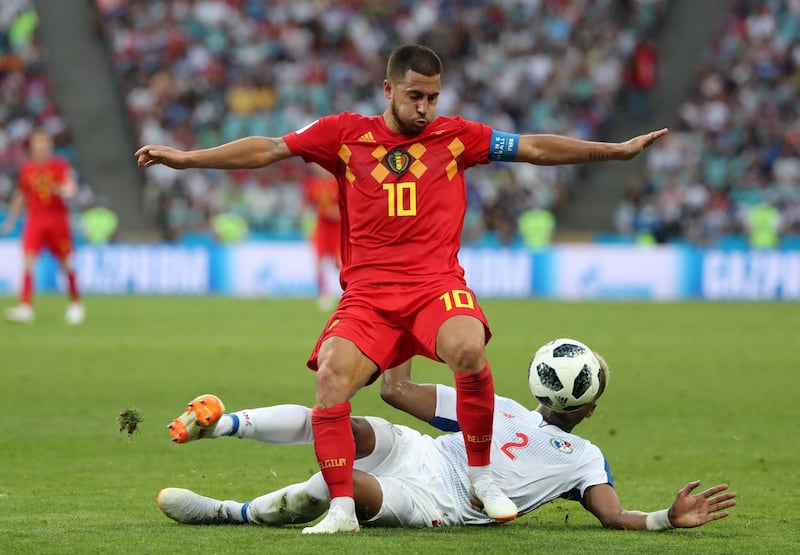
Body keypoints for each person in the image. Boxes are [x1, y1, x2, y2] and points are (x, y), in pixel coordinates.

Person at [136, 44, 669, 534]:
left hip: (434, 283)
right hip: (368, 292)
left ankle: (482, 476)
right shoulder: (343, 133)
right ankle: (341, 509)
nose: (425, 108)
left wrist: (613, 152)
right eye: (415, 95)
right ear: (387, 89)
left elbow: (533, 147)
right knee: (331, 381)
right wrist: (187, 159)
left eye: (433, 97)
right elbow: (270, 148)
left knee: (467, 347)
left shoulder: (457, 136)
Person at [157, 344, 736, 531]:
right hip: (422, 452)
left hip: (443, 503)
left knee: (339, 485)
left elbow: (612, 516)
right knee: (342, 423)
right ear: (588, 404)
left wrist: (663, 518)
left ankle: (228, 513)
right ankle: (224, 423)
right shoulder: (495, 405)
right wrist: (406, 325)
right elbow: (395, 392)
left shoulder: (586, 459)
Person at [2, 129, 85, 325]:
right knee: (28, 262)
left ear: (49, 145)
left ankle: (75, 304)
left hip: (57, 221)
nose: (41, 147)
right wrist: (11, 221)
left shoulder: (59, 166)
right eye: (37, 143)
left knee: (66, 264)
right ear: (32, 146)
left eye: (44, 143)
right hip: (36, 220)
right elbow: (20, 195)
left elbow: (71, 186)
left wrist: (65, 190)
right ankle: (26, 307)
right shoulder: (27, 168)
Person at [303, 163, 341, 310]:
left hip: (338, 229)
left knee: (338, 264)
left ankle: (347, 293)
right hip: (321, 228)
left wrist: (335, 212)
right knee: (318, 261)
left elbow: (346, 207)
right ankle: (323, 294)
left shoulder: (338, 183)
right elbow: (307, 205)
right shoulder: (312, 184)